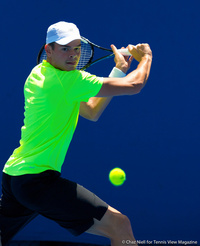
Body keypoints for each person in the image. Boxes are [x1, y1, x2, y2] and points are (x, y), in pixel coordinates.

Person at [0, 21, 152, 246]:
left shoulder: (39, 73)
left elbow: (91, 111)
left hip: (14, 177)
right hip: (37, 181)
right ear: (48, 50)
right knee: (120, 225)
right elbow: (135, 85)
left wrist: (118, 69)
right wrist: (146, 57)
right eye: (64, 48)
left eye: (76, 48)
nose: (72, 55)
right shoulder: (69, 81)